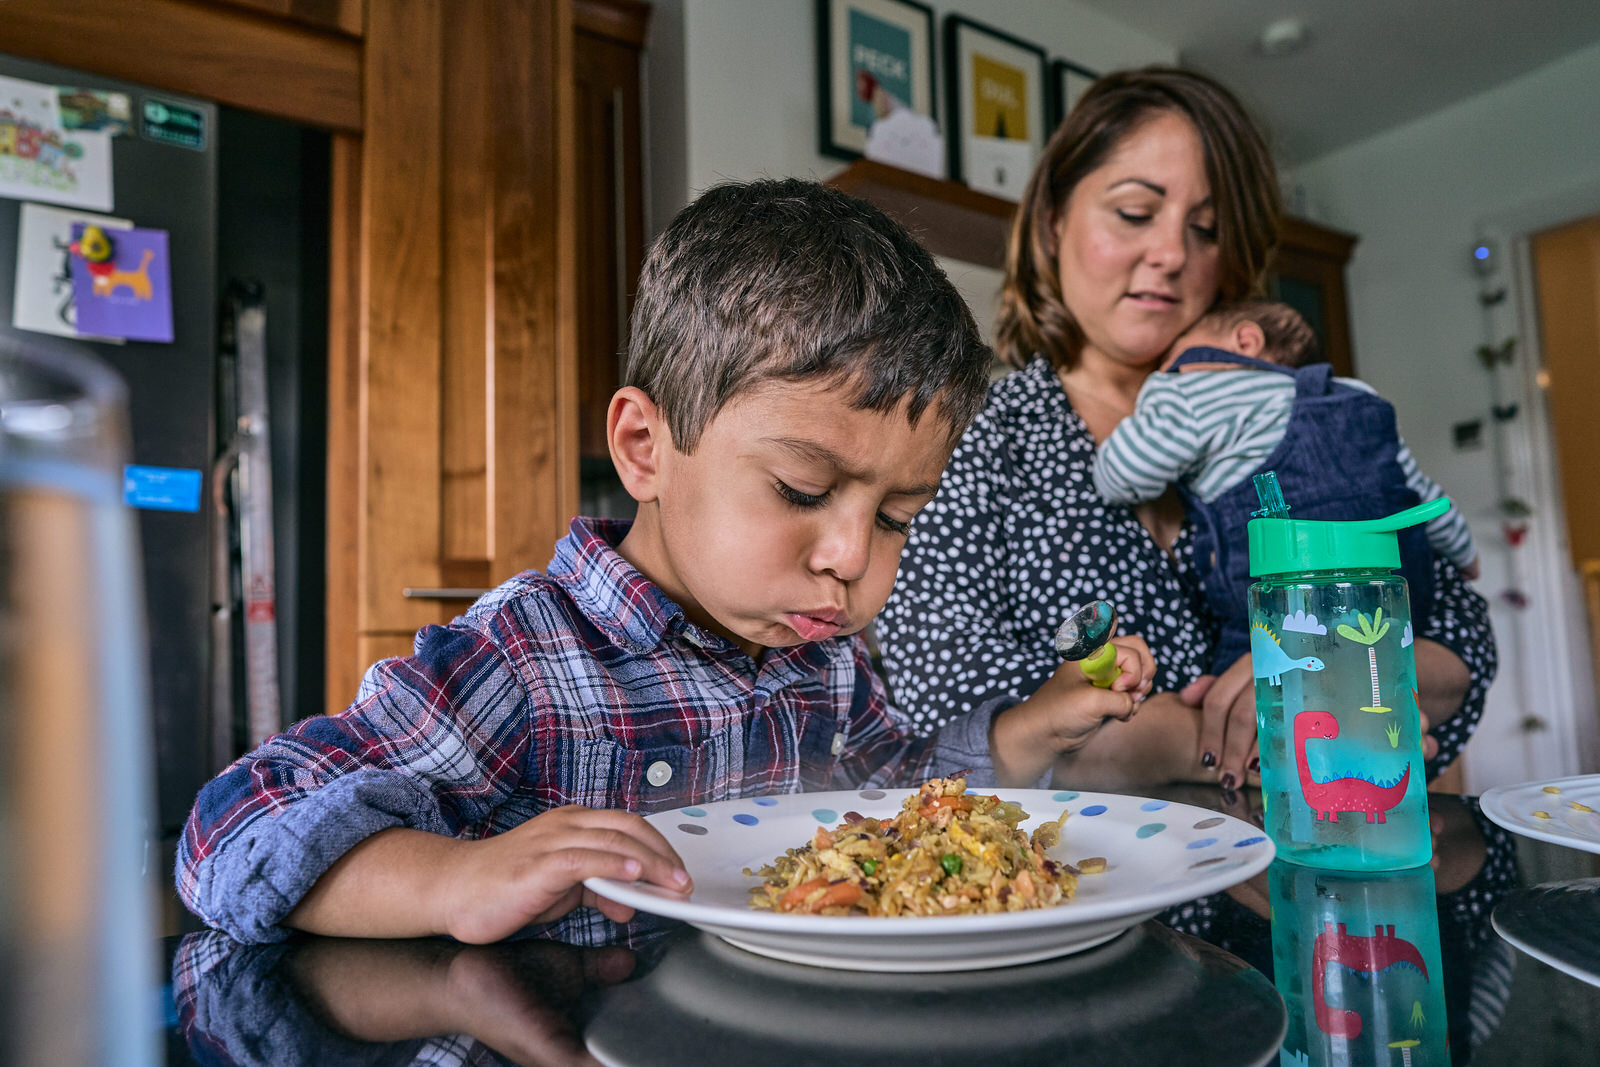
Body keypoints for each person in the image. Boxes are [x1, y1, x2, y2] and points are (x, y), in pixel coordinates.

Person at [176, 178, 1155, 948]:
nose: (850, 557)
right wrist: (448, 879)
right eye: (802, 492)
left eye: (899, 516)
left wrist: (1028, 729)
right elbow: (234, 827)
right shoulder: (524, 657)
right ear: (644, 447)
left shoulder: (822, 660)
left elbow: (893, 799)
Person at [875, 67, 1495, 795]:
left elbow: (1461, 641)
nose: (1172, 254)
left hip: (1314, 867)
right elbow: (950, 727)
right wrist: (1265, 719)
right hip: (1106, 893)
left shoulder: (1302, 413)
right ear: (1052, 222)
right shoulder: (973, 439)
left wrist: (1317, 658)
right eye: (1136, 212)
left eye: (1206, 228)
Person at [1092, 299, 1480, 672]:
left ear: (1245, 341)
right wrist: (1465, 556)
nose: (1165, 369)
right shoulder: (1357, 396)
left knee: (1232, 697)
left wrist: (1149, 398)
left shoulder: (1193, 392)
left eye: (1174, 359)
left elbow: (1120, 478)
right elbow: (1422, 496)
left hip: (1283, 609)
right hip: (1397, 604)